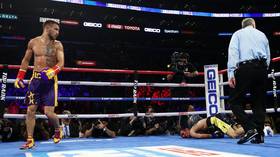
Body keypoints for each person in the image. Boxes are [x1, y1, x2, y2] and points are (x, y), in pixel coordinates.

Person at [14, 20, 64, 149]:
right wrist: (20, 77)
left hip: (50, 81)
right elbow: (25, 60)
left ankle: (58, 130)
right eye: (56, 29)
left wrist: (52, 71)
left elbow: (61, 63)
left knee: (48, 113)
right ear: (47, 28)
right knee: (30, 110)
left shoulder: (58, 45)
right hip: (35, 80)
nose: (58, 32)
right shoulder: (33, 42)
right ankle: (30, 140)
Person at [227, 18, 270, 144]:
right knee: (259, 103)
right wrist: (264, 69)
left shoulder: (238, 34)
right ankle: (259, 136)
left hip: (246, 68)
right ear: (253, 25)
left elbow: (233, 52)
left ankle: (250, 129)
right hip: (262, 69)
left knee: (234, 101)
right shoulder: (262, 35)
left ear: (243, 26)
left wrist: (231, 72)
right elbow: (268, 56)